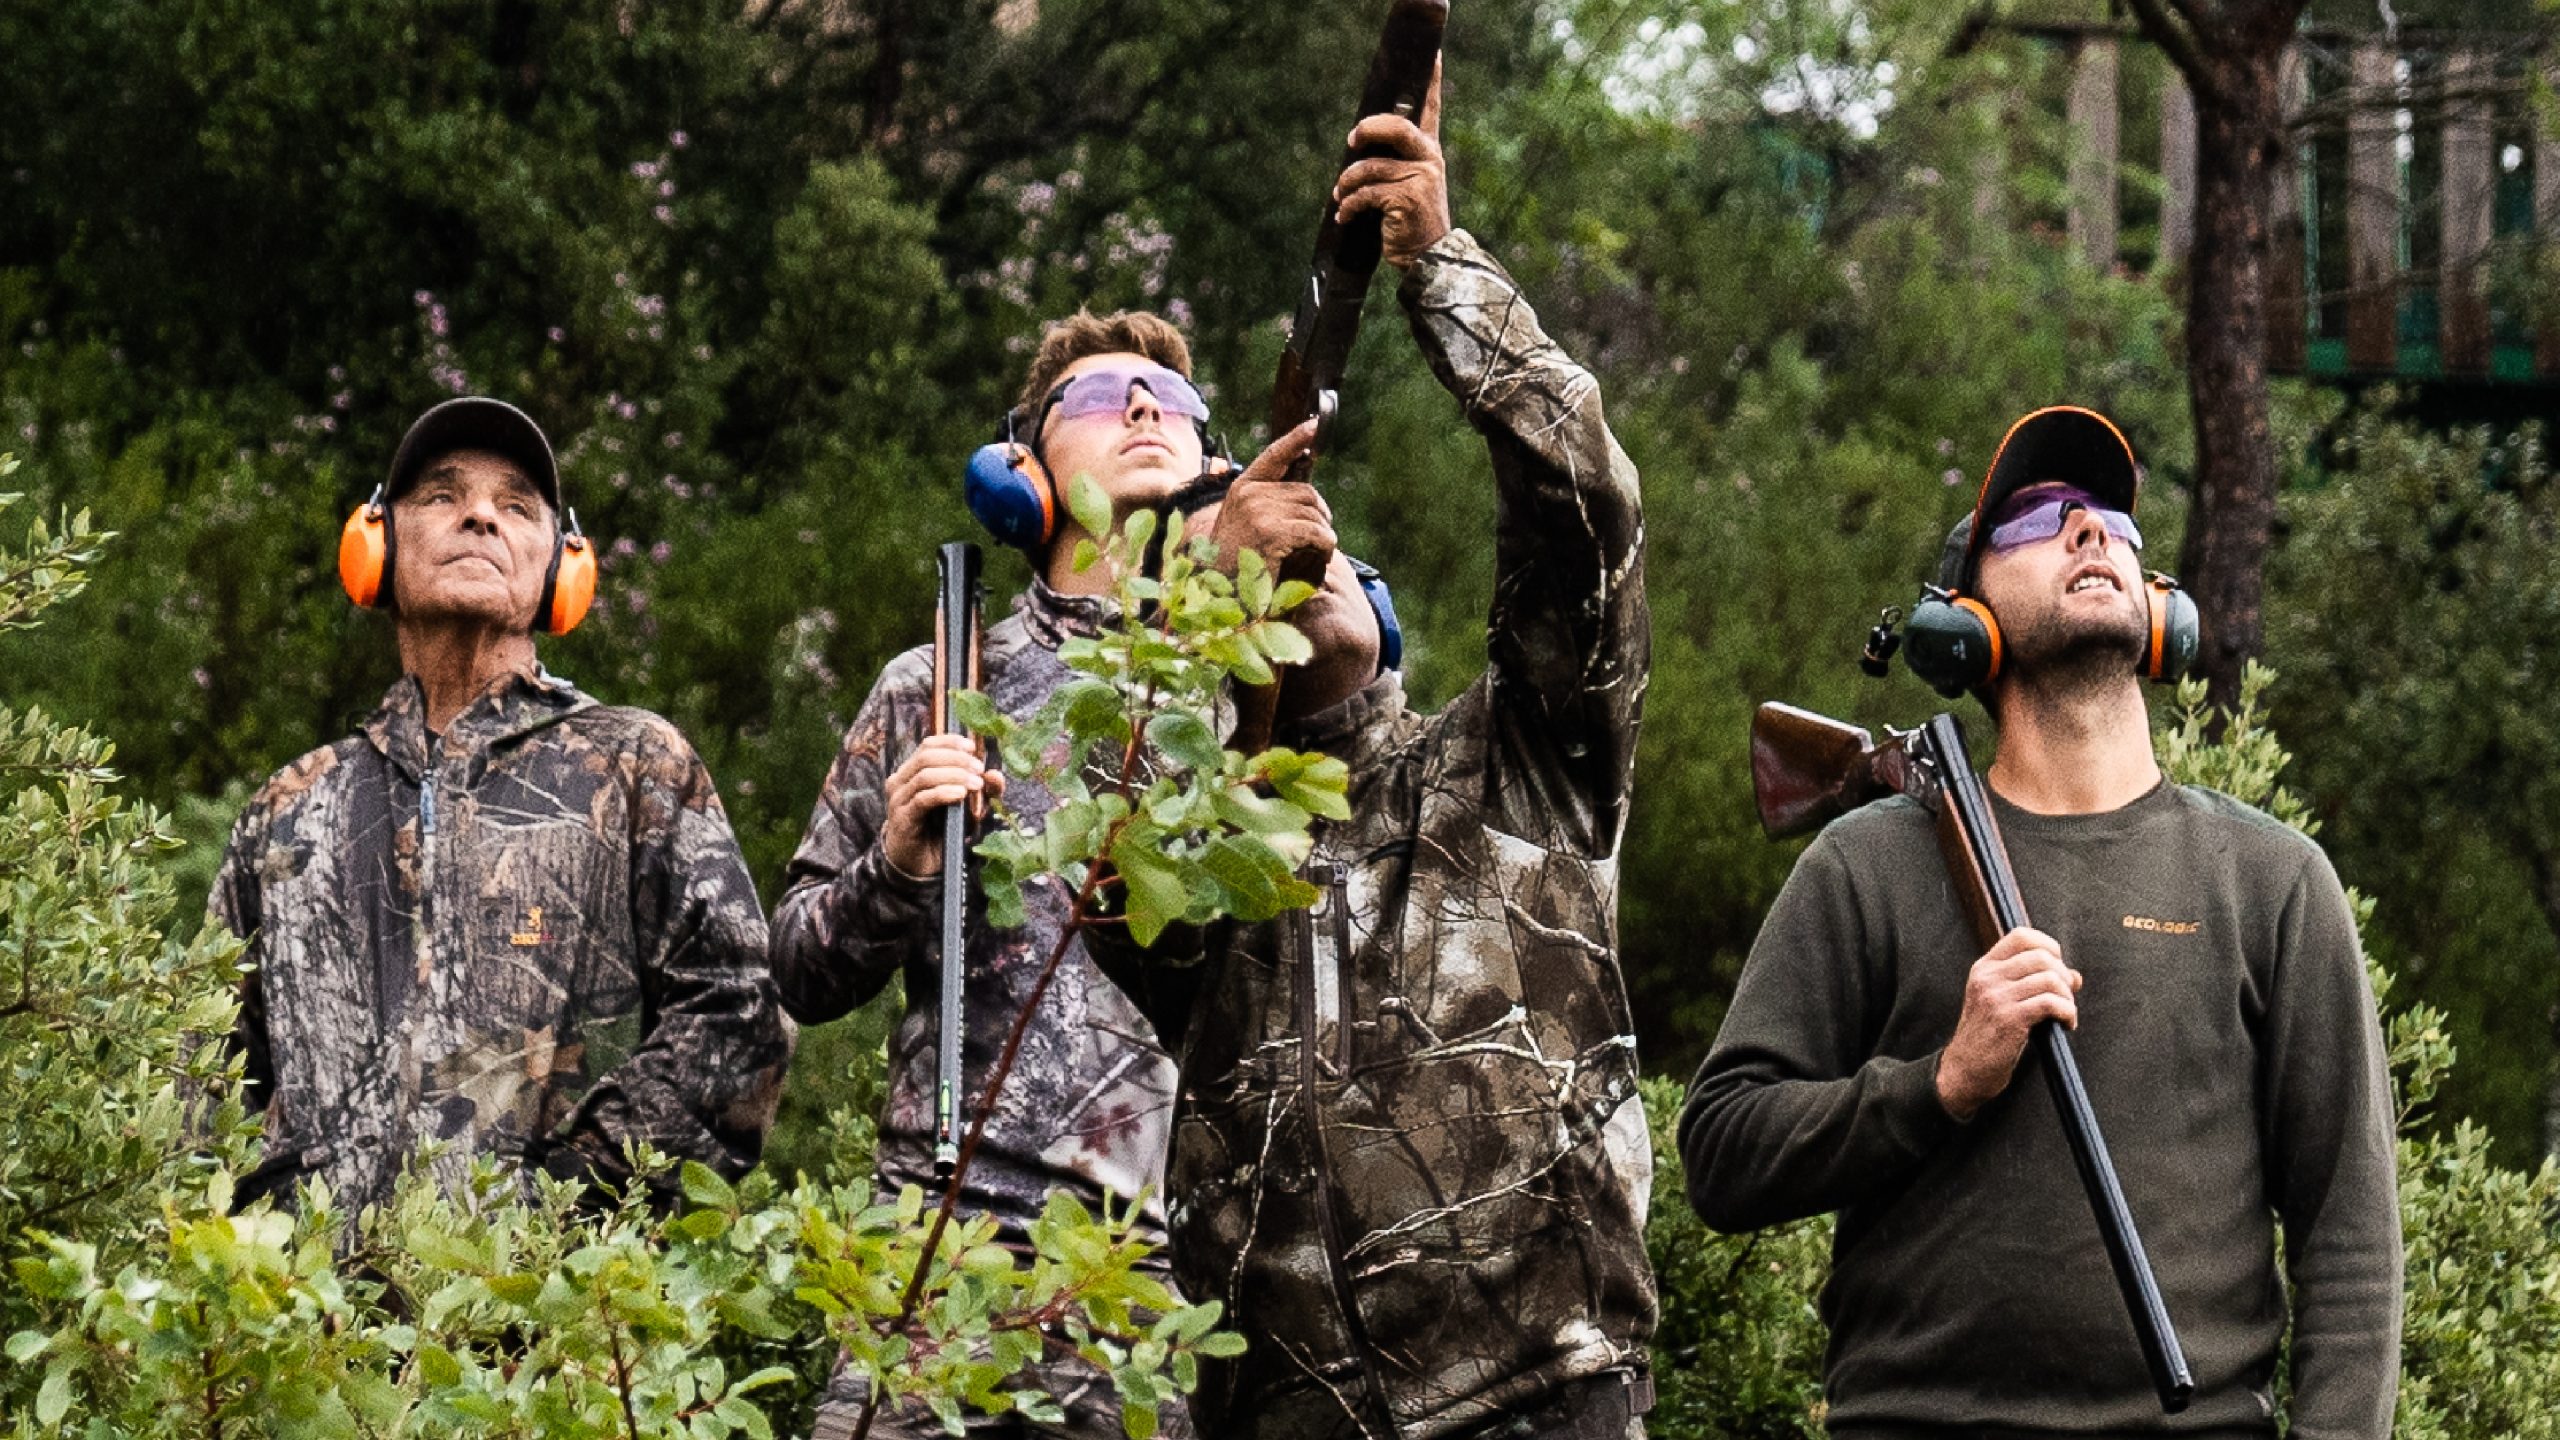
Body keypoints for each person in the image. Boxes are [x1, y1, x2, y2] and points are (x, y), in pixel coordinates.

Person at [1095, 73, 1659, 1440]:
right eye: (1239, 558)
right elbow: (1121, 908)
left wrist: (1441, 268)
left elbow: (1585, 510)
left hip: (1545, 1394)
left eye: (1314, 544)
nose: (1298, 555)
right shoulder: (1201, 849)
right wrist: (1206, 651)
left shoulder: (1513, 762)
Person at [1679, 407, 2402, 1437]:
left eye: (2110, 518)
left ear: (2162, 605)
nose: (2088, 530)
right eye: (2035, 518)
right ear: (1956, 624)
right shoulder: (1869, 862)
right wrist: (1938, 1085)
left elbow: (2350, 1237)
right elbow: (1720, 1152)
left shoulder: (2271, 882)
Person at [774, 309, 1329, 1440]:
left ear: (1215, 464)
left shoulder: (1260, 685)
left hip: (1157, 1288)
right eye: (1098, 396)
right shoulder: (939, 680)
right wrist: (893, 865)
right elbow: (796, 967)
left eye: (1166, 401)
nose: (1138, 409)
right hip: (936, 1268)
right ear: (1018, 473)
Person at [213, 397, 793, 1219]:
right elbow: (207, 1082)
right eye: (442, 496)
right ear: (375, 546)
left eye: (517, 505)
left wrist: (560, 1212)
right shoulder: (287, 810)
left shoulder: (632, 765)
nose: (480, 515)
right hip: (314, 1335)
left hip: (551, 1329)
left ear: (561, 568)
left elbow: (739, 1015)